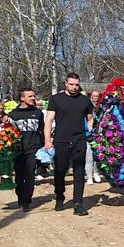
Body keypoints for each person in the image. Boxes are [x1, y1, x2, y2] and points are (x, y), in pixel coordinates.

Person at [44, 73, 95, 216]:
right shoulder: (56, 99)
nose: (74, 87)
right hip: (61, 140)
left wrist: (90, 134)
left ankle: (78, 203)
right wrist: (47, 141)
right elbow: (49, 120)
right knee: (60, 171)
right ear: (65, 83)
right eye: (71, 84)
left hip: (79, 140)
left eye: (77, 84)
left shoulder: (85, 100)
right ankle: (59, 196)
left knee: (79, 171)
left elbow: (90, 119)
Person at [9, 87, 44, 212]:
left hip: (33, 149)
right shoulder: (13, 114)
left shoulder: (38, 113)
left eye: (33, 96)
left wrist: (45, 146)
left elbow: (42, 131)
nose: (33, 98)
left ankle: (27, 201)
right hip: (18, 150)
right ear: (22, 98)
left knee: (30, 174)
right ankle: (20, 197)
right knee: (19, 175)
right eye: (30, 96)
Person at [85, 90, 103, 186]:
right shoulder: (87, 106)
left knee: (97, 157)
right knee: (89, 157)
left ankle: (96, 173)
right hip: (88, 135)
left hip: (98, 135)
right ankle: (89, 177)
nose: (95, 98)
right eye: (94, 96)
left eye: (97, 96)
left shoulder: (101, 107)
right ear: (91, 96)